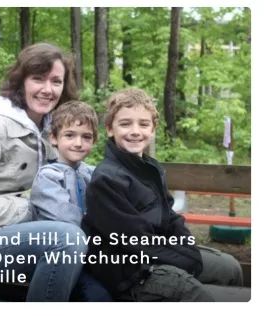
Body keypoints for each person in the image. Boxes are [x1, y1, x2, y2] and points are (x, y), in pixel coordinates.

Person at [0, 42, 87, 301]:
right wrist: (31, 209)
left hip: (40, 233)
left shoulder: (55, 130)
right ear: (21, 82)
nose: (48, 89)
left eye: (56, 81)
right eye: (38, 79)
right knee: (68, 239)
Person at [83, 88, 245, 301]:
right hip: (132, 273)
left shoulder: (151, 169)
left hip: (160, 252)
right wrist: (186, 259)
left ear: (153, 129)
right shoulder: (106, 180)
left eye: (143, 124)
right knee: (199, 295)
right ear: (110, 129)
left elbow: (170, 216)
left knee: (230, 268)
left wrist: (187, 246)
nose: (135, 131)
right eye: (125, 124)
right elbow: (135, 241)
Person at [28, 101, 111, 301]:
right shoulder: (48, 176)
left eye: (86, 137)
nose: (78, 143)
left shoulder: (91, 173)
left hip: (92, 254)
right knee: (96, 296)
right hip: (59, 256)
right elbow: (67, 220)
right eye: (70, 135)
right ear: (54, 138)